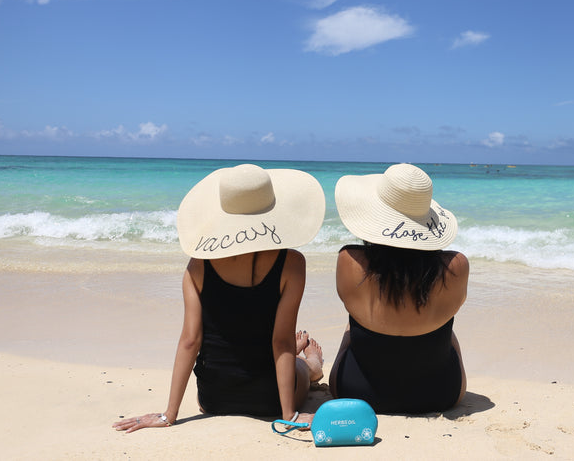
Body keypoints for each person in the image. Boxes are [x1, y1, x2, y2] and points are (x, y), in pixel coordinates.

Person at [113, 164, 326, 432]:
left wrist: (169, 414)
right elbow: (281, 341)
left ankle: (298, 359)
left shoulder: (198, 265)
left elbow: (190, 341)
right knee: (302, 368)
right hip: (269, 400)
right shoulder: (292, 264)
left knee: (271, 350)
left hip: (213, 398)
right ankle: (313, 363)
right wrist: (288, 415)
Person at [329, 163, 469, 414]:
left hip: (355, 392)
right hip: (442, 394)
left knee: (352, 325)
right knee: (447, 328)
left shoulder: (349, 261)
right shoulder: (456, 266)